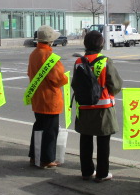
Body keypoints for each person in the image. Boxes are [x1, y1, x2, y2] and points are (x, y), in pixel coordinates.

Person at [73, 30, 123, 182]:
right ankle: (102, 174)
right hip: (103, 108)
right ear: (101, 45)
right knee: (103, 141)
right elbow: (115, 85)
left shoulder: (79, 62)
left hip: (84, 108)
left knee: (85, 139)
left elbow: (75, 84)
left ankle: (87, 172)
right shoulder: (105, 61)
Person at [27, 25, 68, 168]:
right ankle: (47, 159)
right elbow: (59, 79)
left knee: (38, 127)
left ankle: (34, 156)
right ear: (50, 41)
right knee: (50, 131)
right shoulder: (50, 57)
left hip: (37, 97)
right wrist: (65, 78)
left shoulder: (34, 53)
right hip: (50, 99)